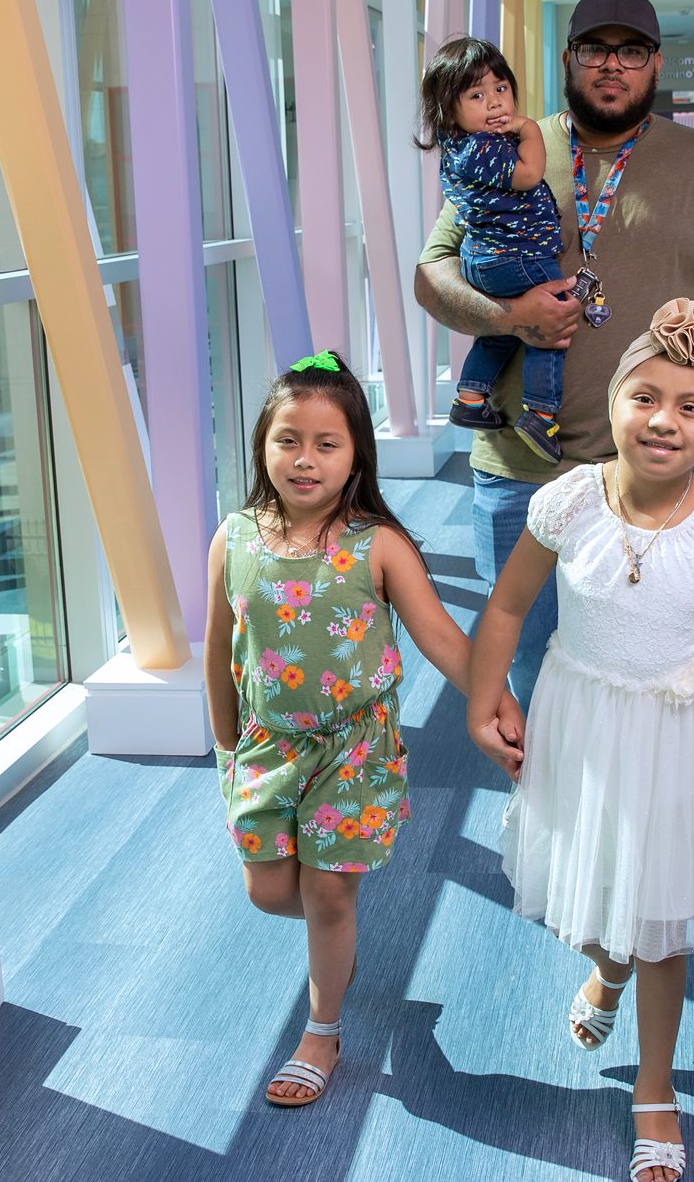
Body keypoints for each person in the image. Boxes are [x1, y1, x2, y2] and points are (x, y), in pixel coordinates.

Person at [468, 300, 694, 1182]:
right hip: (585, 731)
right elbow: (508, 607)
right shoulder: (567, 501)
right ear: (615, 403)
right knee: (594, 897)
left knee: (661, 921)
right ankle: (607, 971)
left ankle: (655, 1086)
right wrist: (483, 704)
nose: (664, 420)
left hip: (681, 741)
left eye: (689, 406)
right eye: (645, 397)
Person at [416, 0, 694, 706]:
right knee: (529, 673)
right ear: (568, 59)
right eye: (595, 49)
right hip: (522, 472)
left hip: (658, 473)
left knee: (658, 679)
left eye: (631, 51)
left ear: (656, 63)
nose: (613, 65)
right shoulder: (508, 145)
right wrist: (511, 317)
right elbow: (432, 274)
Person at [203, 352, 523, 1109]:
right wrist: (226, 750)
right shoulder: (234, 538)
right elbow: (218, 652)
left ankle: (322, 1029)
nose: (304, 459)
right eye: (288, 441)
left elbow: (444, 639)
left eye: (326, 444)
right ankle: (333, 919)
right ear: (262, 446)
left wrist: (497, 700)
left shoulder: (377, 544)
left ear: (356, 457)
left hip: (356, 748)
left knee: (327, 893)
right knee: (267, 892)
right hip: (266, 748)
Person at [414, 36, 571, 462]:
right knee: (550, 326)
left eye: (501, 88)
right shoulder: (483, 147)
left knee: (501, 332)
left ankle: (470, 398)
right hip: (515, 255)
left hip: (486, 257)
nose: (496, 102)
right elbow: (529, 174)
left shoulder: (460, 146)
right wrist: (529, 128)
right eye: (477, 95)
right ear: (449, 112)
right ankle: (540, 412)